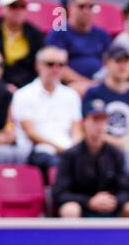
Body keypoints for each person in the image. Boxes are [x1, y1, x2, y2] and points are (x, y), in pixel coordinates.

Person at [52, 97, 129, 218]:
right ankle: (72, 237)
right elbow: (59, 193)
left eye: (103, 120)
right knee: (70, 209)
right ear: (84, 122)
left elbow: (126, 189)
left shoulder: (116, 154)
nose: (99, 125)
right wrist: (88, 201)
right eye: (95, 120)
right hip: (82, 207)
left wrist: (113, 200)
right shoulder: (70, 155)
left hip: (110, 206)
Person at [9, 46, 82, 178]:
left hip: (67, 150)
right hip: (37, 150)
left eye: (61, 65)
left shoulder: (71, 95)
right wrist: (63, 150)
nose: (56, 69)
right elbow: (31, 134)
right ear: (38, 65)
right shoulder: (23, 94)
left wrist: (75, 149)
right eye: (50, 64)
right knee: (56, 164)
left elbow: (77, 130)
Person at [45, 0, 112, 91]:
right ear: (71, 7)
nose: (86, 11)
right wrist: (86, 83)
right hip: (69, 86)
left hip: (100, 83)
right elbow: (56, 67)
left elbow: (111, 62)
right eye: (81, 6)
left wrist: (100, 81)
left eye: (90, 6)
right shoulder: (59, 33)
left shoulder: (101, 34)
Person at [83, 44, 129, 149]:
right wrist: (119, 143)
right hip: (101, 150)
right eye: (118, 61)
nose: (123, 66)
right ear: (106, 64)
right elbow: (86, 128)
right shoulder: (94, 93)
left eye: (126, 62)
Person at [0, 0, 45, 90]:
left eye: (22, 6)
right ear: (3, 8)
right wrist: (2, 86)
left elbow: (39, 65)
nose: (18, 10)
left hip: (29, 88)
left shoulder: (35, 34)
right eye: (14, 6)